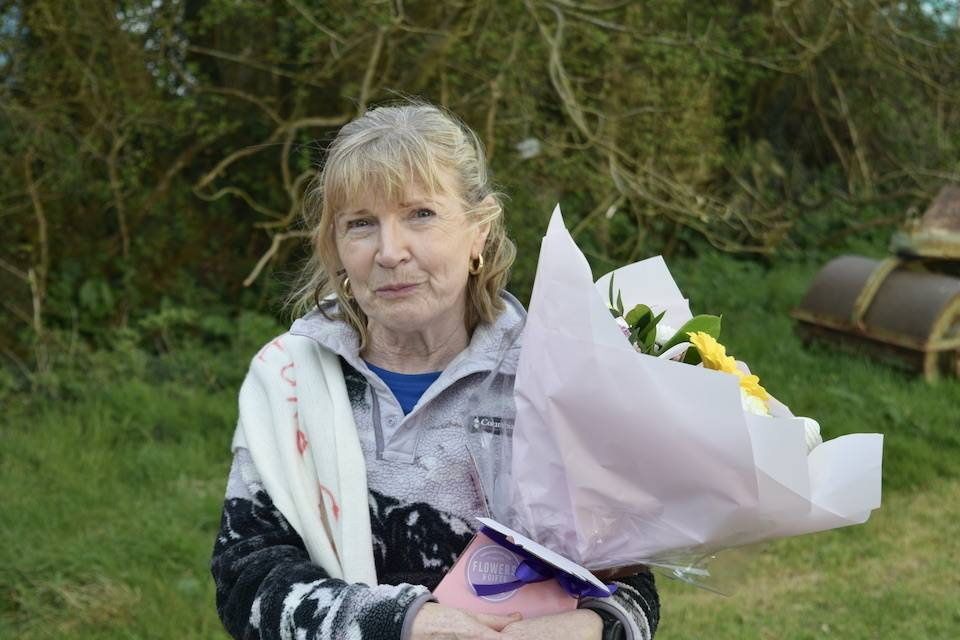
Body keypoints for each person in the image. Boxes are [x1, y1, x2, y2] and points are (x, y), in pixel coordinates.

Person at [210, 102, 660, 640]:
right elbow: (246, 580)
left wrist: (594, 628)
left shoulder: (554, 374)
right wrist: (402, 624)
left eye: (420, 214)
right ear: (335, 248)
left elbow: (629, 581)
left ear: (479, 231)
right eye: (360, 224)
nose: (390, 251)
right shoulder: (287, 380)